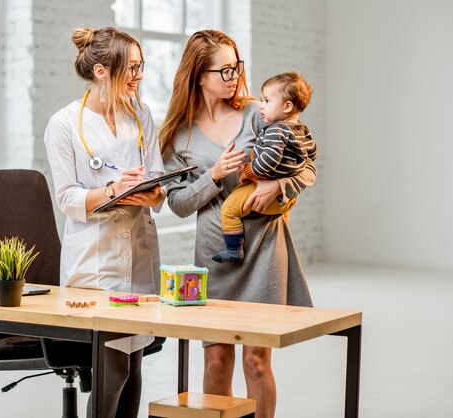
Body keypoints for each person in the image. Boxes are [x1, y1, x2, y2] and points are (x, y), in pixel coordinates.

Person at [159, 30, 316, 418]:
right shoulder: (180, 136)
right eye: (224, 70)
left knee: (257, 361)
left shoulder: (256, 113)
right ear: (198, 74)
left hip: (264, 250)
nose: (234, 77)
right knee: (215, 363)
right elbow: (178, 205)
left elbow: (306, 168)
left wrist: (279, 185)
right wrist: (212, 175)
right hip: (215, 260)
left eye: (236, 66)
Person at [44, 26, 165, 418]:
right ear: (101, 71)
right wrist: (113, 190)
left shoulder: (141, 114)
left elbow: (159, 181)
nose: (140, 75)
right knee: (112, 365)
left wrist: (153, 192)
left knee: (134, 365)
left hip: (141, 256)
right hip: (96, 263)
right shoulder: (64, 124)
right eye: (131, 67)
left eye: (140, 65)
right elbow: (67, 198)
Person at [212, 72, 317, 263]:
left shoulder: (276, 130)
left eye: (267, 101)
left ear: (287, 106)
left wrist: (249, 171)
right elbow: (312, 154)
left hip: (264, 189)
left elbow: (269, 159)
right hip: (287, 199)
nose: (261, 105)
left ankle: (234, 249)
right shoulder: (302, 129)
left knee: (228, 209)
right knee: (282, 216)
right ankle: (283, 227)